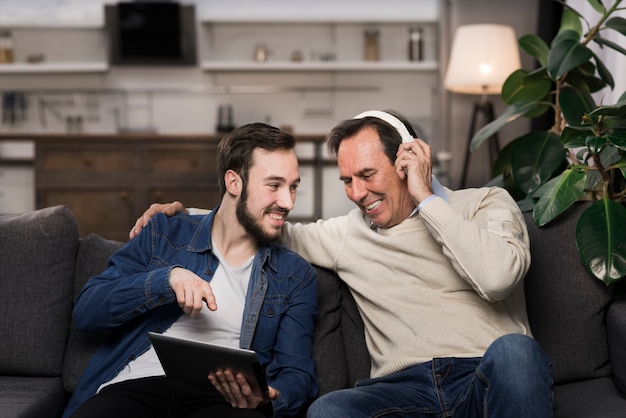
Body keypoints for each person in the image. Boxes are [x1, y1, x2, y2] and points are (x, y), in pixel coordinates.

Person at [131, 110, 553, 417]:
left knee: (517, 352)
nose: (356, 192)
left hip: (483, 378)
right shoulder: (349, 233)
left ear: (408, 160)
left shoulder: (485, 204)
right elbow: (267, 224)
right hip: (402, 393)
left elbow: (498, 278)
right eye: (347, 181)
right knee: (330, 411)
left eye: (367, 175)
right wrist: (187, 216)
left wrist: (426, 199)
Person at [64, 123, 319, 418]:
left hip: (222, 403)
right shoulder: (164, 232)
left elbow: (298, 375)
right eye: (274, 185)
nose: (288, 202)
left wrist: (271, 397)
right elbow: (87, 311)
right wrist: (166, 280)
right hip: (137, 386)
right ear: (234, 183)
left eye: (293, 187)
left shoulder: (294, 276)